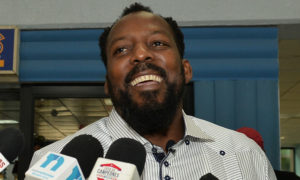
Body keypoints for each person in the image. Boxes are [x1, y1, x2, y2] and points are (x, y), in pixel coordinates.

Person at [30, 3, 276, 179]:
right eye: (122, 50)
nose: (140, 55)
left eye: (157, 43)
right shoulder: (52, 163)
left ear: (185, 69)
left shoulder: (244, 155)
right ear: (107, 83)